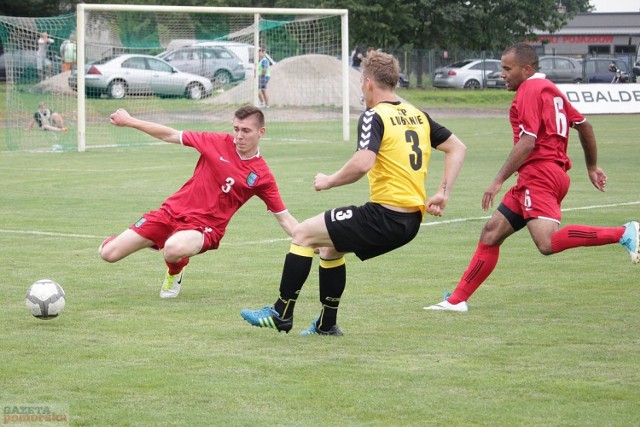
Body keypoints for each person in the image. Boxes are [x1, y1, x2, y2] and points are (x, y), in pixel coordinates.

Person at [241, 50, 467, 335]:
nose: (361, 86)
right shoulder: (417, 115)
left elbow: (363, 162)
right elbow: (458, 147)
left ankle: (281, 312)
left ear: (369, 82)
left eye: (362, 81)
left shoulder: (375, 116)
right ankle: (327, 325)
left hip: (384, 215)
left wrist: (329, 180)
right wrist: (443, 192)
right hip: (410, 222)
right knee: (330, 247)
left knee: (302, 234)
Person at [424, 43, 639, 313]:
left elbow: (528, 141)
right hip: (543, 174)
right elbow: (585, 125)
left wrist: (497, 180)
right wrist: (592, 166)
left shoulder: (529, 90)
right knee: (491, 233)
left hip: (540, 174)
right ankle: (457, 300)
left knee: (546, 243)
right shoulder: (551, 90)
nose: (501, 73)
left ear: (526, 69)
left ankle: (623, 232)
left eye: (507, 68)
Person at [99, 106, 298, 298]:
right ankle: (126, 241)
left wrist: (308, 239)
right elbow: (170, 134)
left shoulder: (261, 175)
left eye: (246, 131)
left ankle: (175, 270)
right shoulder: (216, 141)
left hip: (205, 228)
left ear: (261, 132)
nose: (239, 136)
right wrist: (130, 121)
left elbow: (284, 217)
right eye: (236, 129)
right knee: (108, 254)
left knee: (173, 248)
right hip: (170, 212)